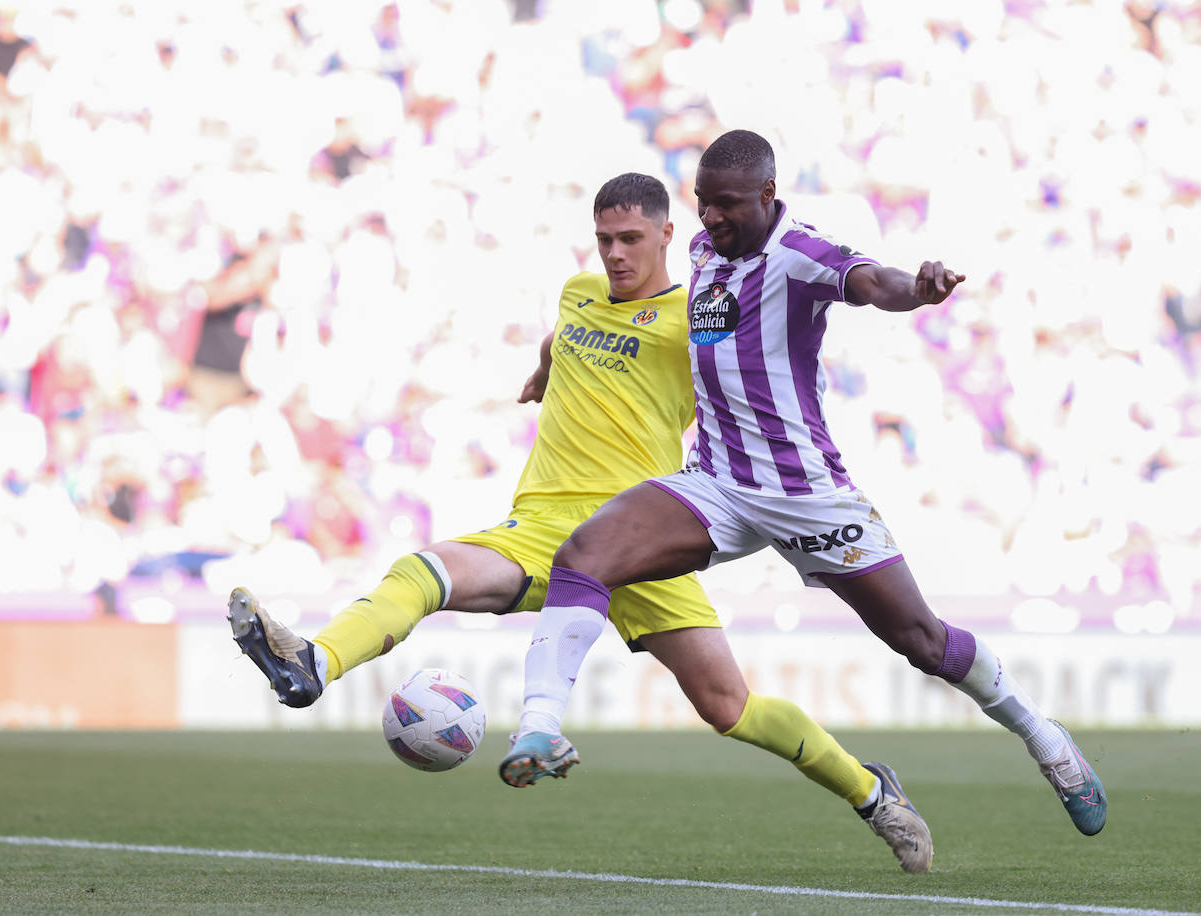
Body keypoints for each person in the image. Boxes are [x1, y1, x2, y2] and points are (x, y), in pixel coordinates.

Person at [228, 172, 934, 873]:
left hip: (649, 534)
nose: (616, 254)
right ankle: (312, 664)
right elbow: (561, 334)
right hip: (547, 527)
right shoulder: (579, 294)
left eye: (631, 239)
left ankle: (873, 795)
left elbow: (763, 379)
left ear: (667, 234)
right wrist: (544, 373)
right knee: (426, 571)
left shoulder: (700, 319)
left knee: (730, 708)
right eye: (604, 240)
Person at [505, 131, 1108, 848]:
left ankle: (1045, 738)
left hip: (805, 492)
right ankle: (539, 729)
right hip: (719, 483)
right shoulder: (702, 251)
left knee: (921, 640)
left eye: (727, 205)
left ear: (767, 194)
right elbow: (582, 320)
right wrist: (549, 367)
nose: (712, 218)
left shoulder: (799, 252)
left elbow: (869, 281)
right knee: (585, 552)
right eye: (704, 203)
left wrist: (916, 291)